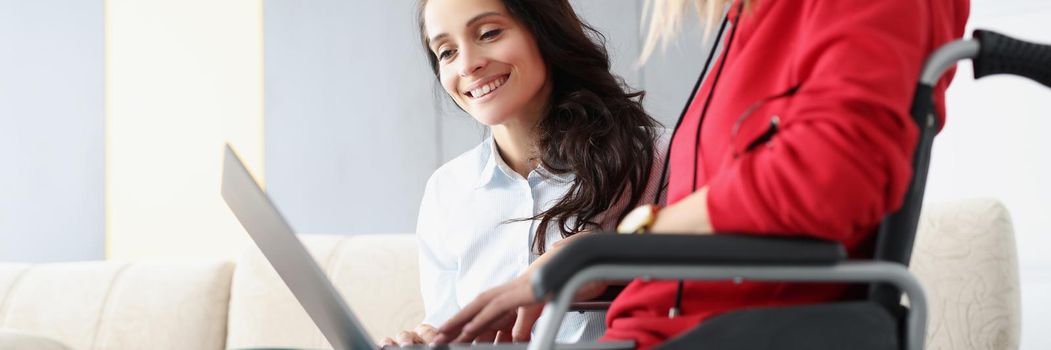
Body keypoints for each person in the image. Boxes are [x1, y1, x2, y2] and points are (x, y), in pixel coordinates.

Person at [431, 0, 970, 348]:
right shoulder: (754, 21)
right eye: (446, 51)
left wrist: (624, 241)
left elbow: (833, 178)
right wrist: (607, 261)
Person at [380, 0, 668, 346]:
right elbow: (447, 323)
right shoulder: (447, 190)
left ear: (544, 29)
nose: (469, 64)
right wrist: (424, 339)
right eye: (447, 52)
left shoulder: (654, 158)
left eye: (488, 33)